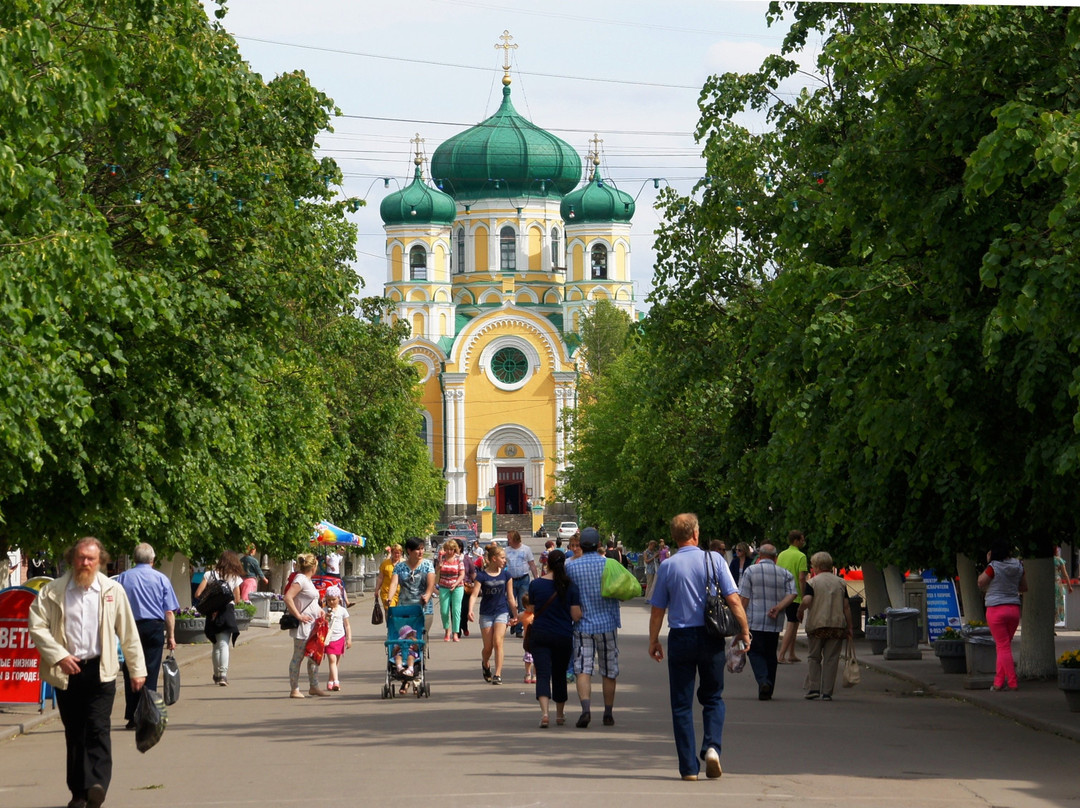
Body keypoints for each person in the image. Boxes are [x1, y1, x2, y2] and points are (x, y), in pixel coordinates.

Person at [28, 537, 147, 808]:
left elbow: (128, 633)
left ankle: (98, 785)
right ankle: (78, 794)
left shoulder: (112, 591)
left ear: (100, 561)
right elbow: (37, 625)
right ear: (72, 558)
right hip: (67, 670)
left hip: (100, 669)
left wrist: (137, 669)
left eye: (91, 559)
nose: (85, 563)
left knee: (97, 727)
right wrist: (58, 656)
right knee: (75, 731)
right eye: (81, 557)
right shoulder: (53, 591)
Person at [648, 514, 750, 781]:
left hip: (680, 638)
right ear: (695, 533)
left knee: (681, 705)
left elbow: (657, 610)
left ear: (674, 537)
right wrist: (744, 631)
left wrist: (654, 640)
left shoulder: (667, 566)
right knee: (713, 697)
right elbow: (734, 600)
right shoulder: (715, 559)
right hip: (711, 636)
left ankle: (688, 769)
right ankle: (712, 747)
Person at [115, 542, 180, 729]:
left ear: (134, 559)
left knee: (130, 671)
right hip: (154, 628)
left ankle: (132, 716)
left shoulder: (123, 578)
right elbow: (169, 612)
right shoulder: (161, 579)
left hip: (130, 628)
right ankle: (147, 715)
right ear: (153, 560)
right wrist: (171, 637)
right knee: (151, 672)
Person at [565, 526, 622, 728]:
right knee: (608, 670)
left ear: (580, 545)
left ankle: (586, 709)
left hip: (582, 625)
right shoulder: (610, 564)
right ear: (599, 544)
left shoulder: (570, 567)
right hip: (607, 624)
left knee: (583, 669)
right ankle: (608, 713)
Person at [527, 549, 582, 728]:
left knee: (543, 674)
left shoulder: (536, 585)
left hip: (541, 634)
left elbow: (533, 610)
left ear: (547, 564)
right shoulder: (571, 586)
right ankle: (559, 714)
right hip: (563, 636)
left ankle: (544, 713)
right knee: (559, 675)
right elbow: (575, 616)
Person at [737, 543, 796, 700]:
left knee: (754, 652)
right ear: (775, 558)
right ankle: (767, 690)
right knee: (771, 655)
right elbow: (793, 594)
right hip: (774, 623)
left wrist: (739, 621)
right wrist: (778, 607)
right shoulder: (785, 573)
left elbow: (744, 598)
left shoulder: (750, 571)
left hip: (754, 621)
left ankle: (763, 681)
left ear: (760, 556)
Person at [797, 551, 853, 701]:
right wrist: (850, 627)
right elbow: (846, 606)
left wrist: (800, 610)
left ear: (817, 566)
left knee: (814, 657)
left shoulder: (812, 583)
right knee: (831, 659)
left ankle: (814, 688)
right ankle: (827, 692)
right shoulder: (840, 582)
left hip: (817, 625)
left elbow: (808, 600)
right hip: (836, 626)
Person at [977, 540, 1027, 691]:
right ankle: (998, 682)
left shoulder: (993, 567)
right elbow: (1024, 587)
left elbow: (980, 582)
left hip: (996, 609)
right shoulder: (1019, 566)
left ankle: (1012, 682)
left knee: (1002, 647)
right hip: (1013, 609)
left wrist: (988, 562)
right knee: (1003, 647)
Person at [467, 543, 518, 685]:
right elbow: (474, 594)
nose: (505, 560)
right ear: (494, 559)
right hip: (486, 613)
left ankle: (498, 674)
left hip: (501, 611)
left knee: (498, 641)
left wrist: (515, 615)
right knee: (488, 647)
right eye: (502, 558)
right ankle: (485, 663)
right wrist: (470, 610)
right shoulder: (482, 576)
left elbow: (510, 597)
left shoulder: (506, 575)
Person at [194, 550, 243, 686]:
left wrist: (212, 599)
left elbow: (198, 594)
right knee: (224, 644)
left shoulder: (209, 574)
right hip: (227, 610)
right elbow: (237, 599)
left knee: (216, 644)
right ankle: (223, 675)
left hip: (212, 612)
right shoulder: (235, 577)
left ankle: (216, 674)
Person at [283, 553, 326, 698]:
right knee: (299, 656)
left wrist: (320, 611)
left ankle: (314, 686)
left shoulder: (307, 580)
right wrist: (298, 615)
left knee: (314, 655)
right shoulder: (301, 579)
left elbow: (311, 601)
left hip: (313, 625)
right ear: (314, 567)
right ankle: (294, 689)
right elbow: (288, 597)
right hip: (303, 626)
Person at [387, 537, 437, 639]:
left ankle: (422, 652)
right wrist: (389, 598)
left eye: (422, 549)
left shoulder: (427, 565)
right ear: (409, 551)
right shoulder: (400, 567)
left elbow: (431, 583)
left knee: (421, 638)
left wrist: (427, 595)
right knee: (405, 637)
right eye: (418, 549)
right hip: (405, 609)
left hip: (424, 609)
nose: (421, 552)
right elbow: (394, 583)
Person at [777, 530, 808, 664]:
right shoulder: (801, 556)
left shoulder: (782, 555)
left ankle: (792, 653)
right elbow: (802, 578)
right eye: (802, 539)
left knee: (795, 624)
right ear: (796, 540)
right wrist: (803, 594)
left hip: (782, 593)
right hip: (794, 595)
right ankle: (782, 655)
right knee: (791, 624)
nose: (803, 542)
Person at [504, 530, 537, 638]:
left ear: (514, 539)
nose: (508, 541)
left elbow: (531, 564)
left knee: (523, 605)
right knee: (510, 604)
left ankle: (518, 629)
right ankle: (514, 620)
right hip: (511, 580)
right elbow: (502, 564)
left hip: (523, 579)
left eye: (509, 539)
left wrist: (536, 578)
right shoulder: (506, 551)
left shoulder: (526, 549)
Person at [322, 585, 351, 692]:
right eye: (328, 600)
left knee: (336, 662)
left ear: (339, 598)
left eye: (334, 599)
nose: (331, 602)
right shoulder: (324, 610)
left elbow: (347, 625)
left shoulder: (342, 610)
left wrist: (349, 639)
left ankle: (330, 681)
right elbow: (320, 624)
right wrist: (326, 617)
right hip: (328, 638)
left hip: (340, 637)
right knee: (332, 660)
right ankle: (336, 682)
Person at [437, 536, 466, 641]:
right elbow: (436, 573)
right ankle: (447, 630)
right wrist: (438, 565)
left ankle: (455, 633)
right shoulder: (442, 558)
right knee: (444, 611)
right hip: (444, 586)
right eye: (447, 549)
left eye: (451, 549)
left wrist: (456, 583)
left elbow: (462, 574)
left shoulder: (459, 559)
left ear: (455, 550)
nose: (449, 551)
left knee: (456, 610)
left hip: (457, 587)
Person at [375, 544, 402, 615]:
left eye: (398, 553)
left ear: (401, 553)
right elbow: (380, 577)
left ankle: (396, 625)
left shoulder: (404, 564)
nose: (396, 555)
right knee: (390, 611)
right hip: (387, 592)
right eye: (395, 553)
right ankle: (390, 625)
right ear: (392, 553)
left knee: (400, 613)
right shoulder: (385, 564)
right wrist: (376, 590)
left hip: (401, 593)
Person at [519, 593, 536, 683]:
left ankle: (535, 675)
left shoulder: (536, 614)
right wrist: (511, 622)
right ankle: (528, 673)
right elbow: (516, 620)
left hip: (537, 640)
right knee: (528, 659)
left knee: (536, 658)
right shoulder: (523, 615)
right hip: (528, 641)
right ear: (526, 606)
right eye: (531, 606)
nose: (533, 607)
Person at [1054, 545, 1072, 628]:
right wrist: (1069, 586)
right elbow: (1065, 575)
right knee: (1057, 604)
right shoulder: (1059, 560)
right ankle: (1053, 626)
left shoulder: (1046, 561)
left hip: (1048, 584)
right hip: (1057, 584)